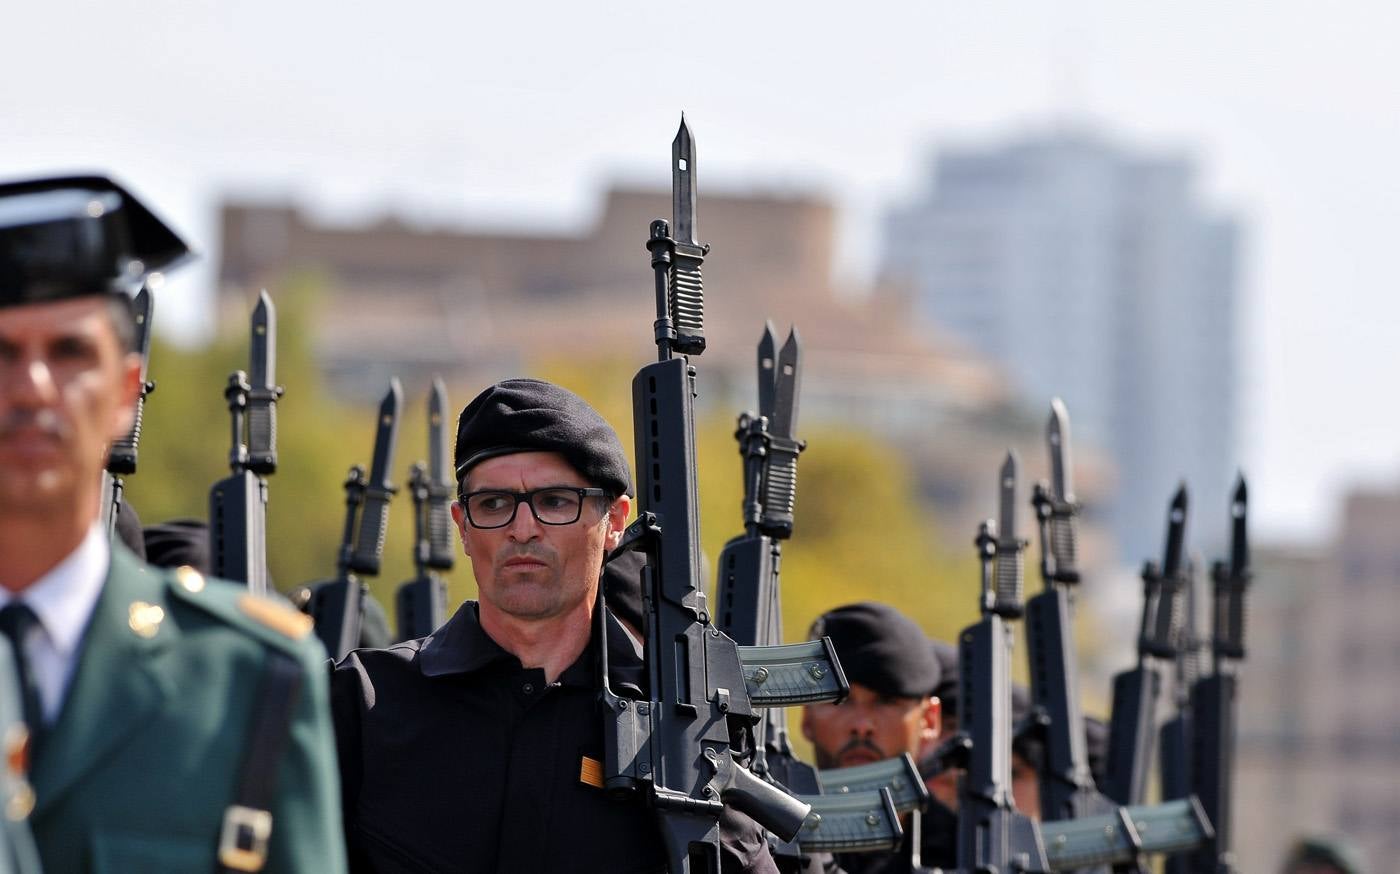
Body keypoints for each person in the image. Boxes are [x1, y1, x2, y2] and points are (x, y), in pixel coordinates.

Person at [0, 175, 346, 873]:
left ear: (128, 392)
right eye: (2, 354)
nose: (32, 386)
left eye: (69, 354)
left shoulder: (248, 677)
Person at [330, 378, 777, 873]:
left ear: (614, 521)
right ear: (461, 524)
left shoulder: (674, 725)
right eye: (494, 504)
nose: (522, 529)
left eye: (555, 501)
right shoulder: (363, 703)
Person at [800, 602, 947, 873]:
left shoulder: (967, 848)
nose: (862, 725)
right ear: (807, 717)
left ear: (929, 719)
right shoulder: (765, 837)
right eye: (839, 700)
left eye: (886, 701)